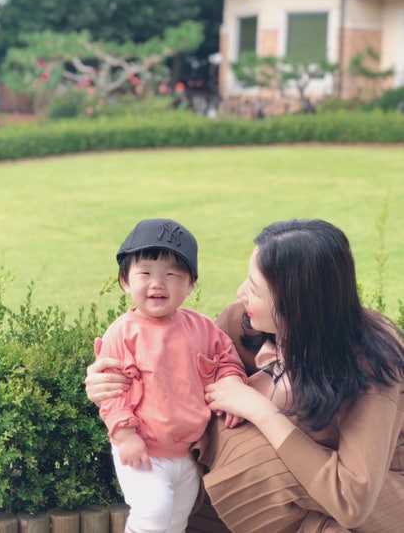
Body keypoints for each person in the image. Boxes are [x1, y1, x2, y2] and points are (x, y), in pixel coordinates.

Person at [86, 219, 404, 532]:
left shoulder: (372, 367)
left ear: (297, 304)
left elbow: (353, 499)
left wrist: (261, 411)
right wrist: (106, 382)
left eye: (254, 288)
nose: (240, 293)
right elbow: (167, 363)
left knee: (246, 439)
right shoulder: (240, 323)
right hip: (255, 506)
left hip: (372, 503)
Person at [95, 218, 247, 533]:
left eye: (171, 275)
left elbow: (226, 361)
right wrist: (125, 435)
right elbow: (112, 393)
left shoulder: (202, 328)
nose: (157, 283)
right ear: (125, 281)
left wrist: (231, 388)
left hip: (186, 453)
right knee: (153, 512)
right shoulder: (122, 334)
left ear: (190, 285)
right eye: (145, 273)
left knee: (178, 517)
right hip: (142, 447)